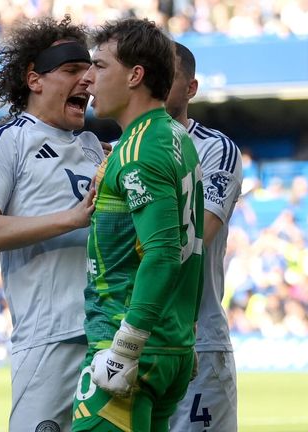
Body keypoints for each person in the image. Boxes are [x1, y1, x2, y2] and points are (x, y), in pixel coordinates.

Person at [0, 15, 101, 432]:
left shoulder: (97, 147)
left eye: (91, 70)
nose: (88, 80)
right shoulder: (5, 141)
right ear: (34, 80)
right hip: (49, 336)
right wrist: (71, 219)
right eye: (73, 71)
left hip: (107, 332)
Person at [72, 18, 205, 432]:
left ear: (135, 75)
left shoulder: (138, 149)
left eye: (99, 66)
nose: (88, 79)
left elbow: (164, 254)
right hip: (169, 345)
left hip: (128, 347)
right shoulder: (175, 136)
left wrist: (126, 347)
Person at [166, 42, 243, 432]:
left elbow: (200, 235)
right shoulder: (110, 155)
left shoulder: (216, 150)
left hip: (197, 339)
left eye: (170, 76)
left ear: (191, 89)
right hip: (124, 344)